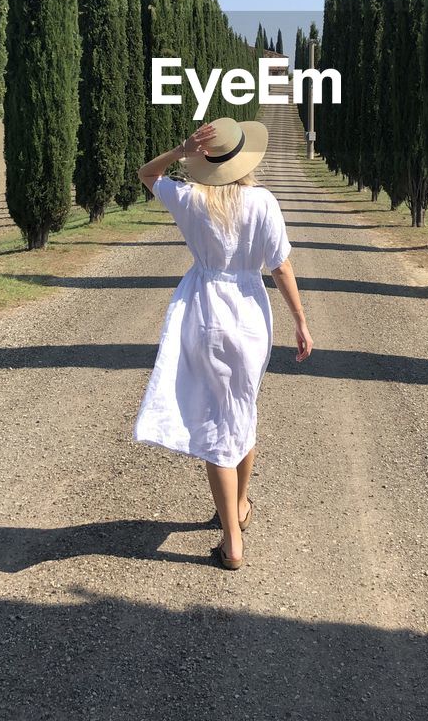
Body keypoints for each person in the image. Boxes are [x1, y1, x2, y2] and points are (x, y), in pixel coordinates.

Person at [133, 115, 313, 571]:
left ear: (205, 162)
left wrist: (179, 151)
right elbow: (282, 267)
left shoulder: (191, 197)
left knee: (219, 419)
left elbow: (147, 175)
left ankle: (233, 527)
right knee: (242, 410)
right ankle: (236, 519)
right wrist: (300, 320)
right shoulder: (263, 202)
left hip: (204, 310)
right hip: (251, 313)